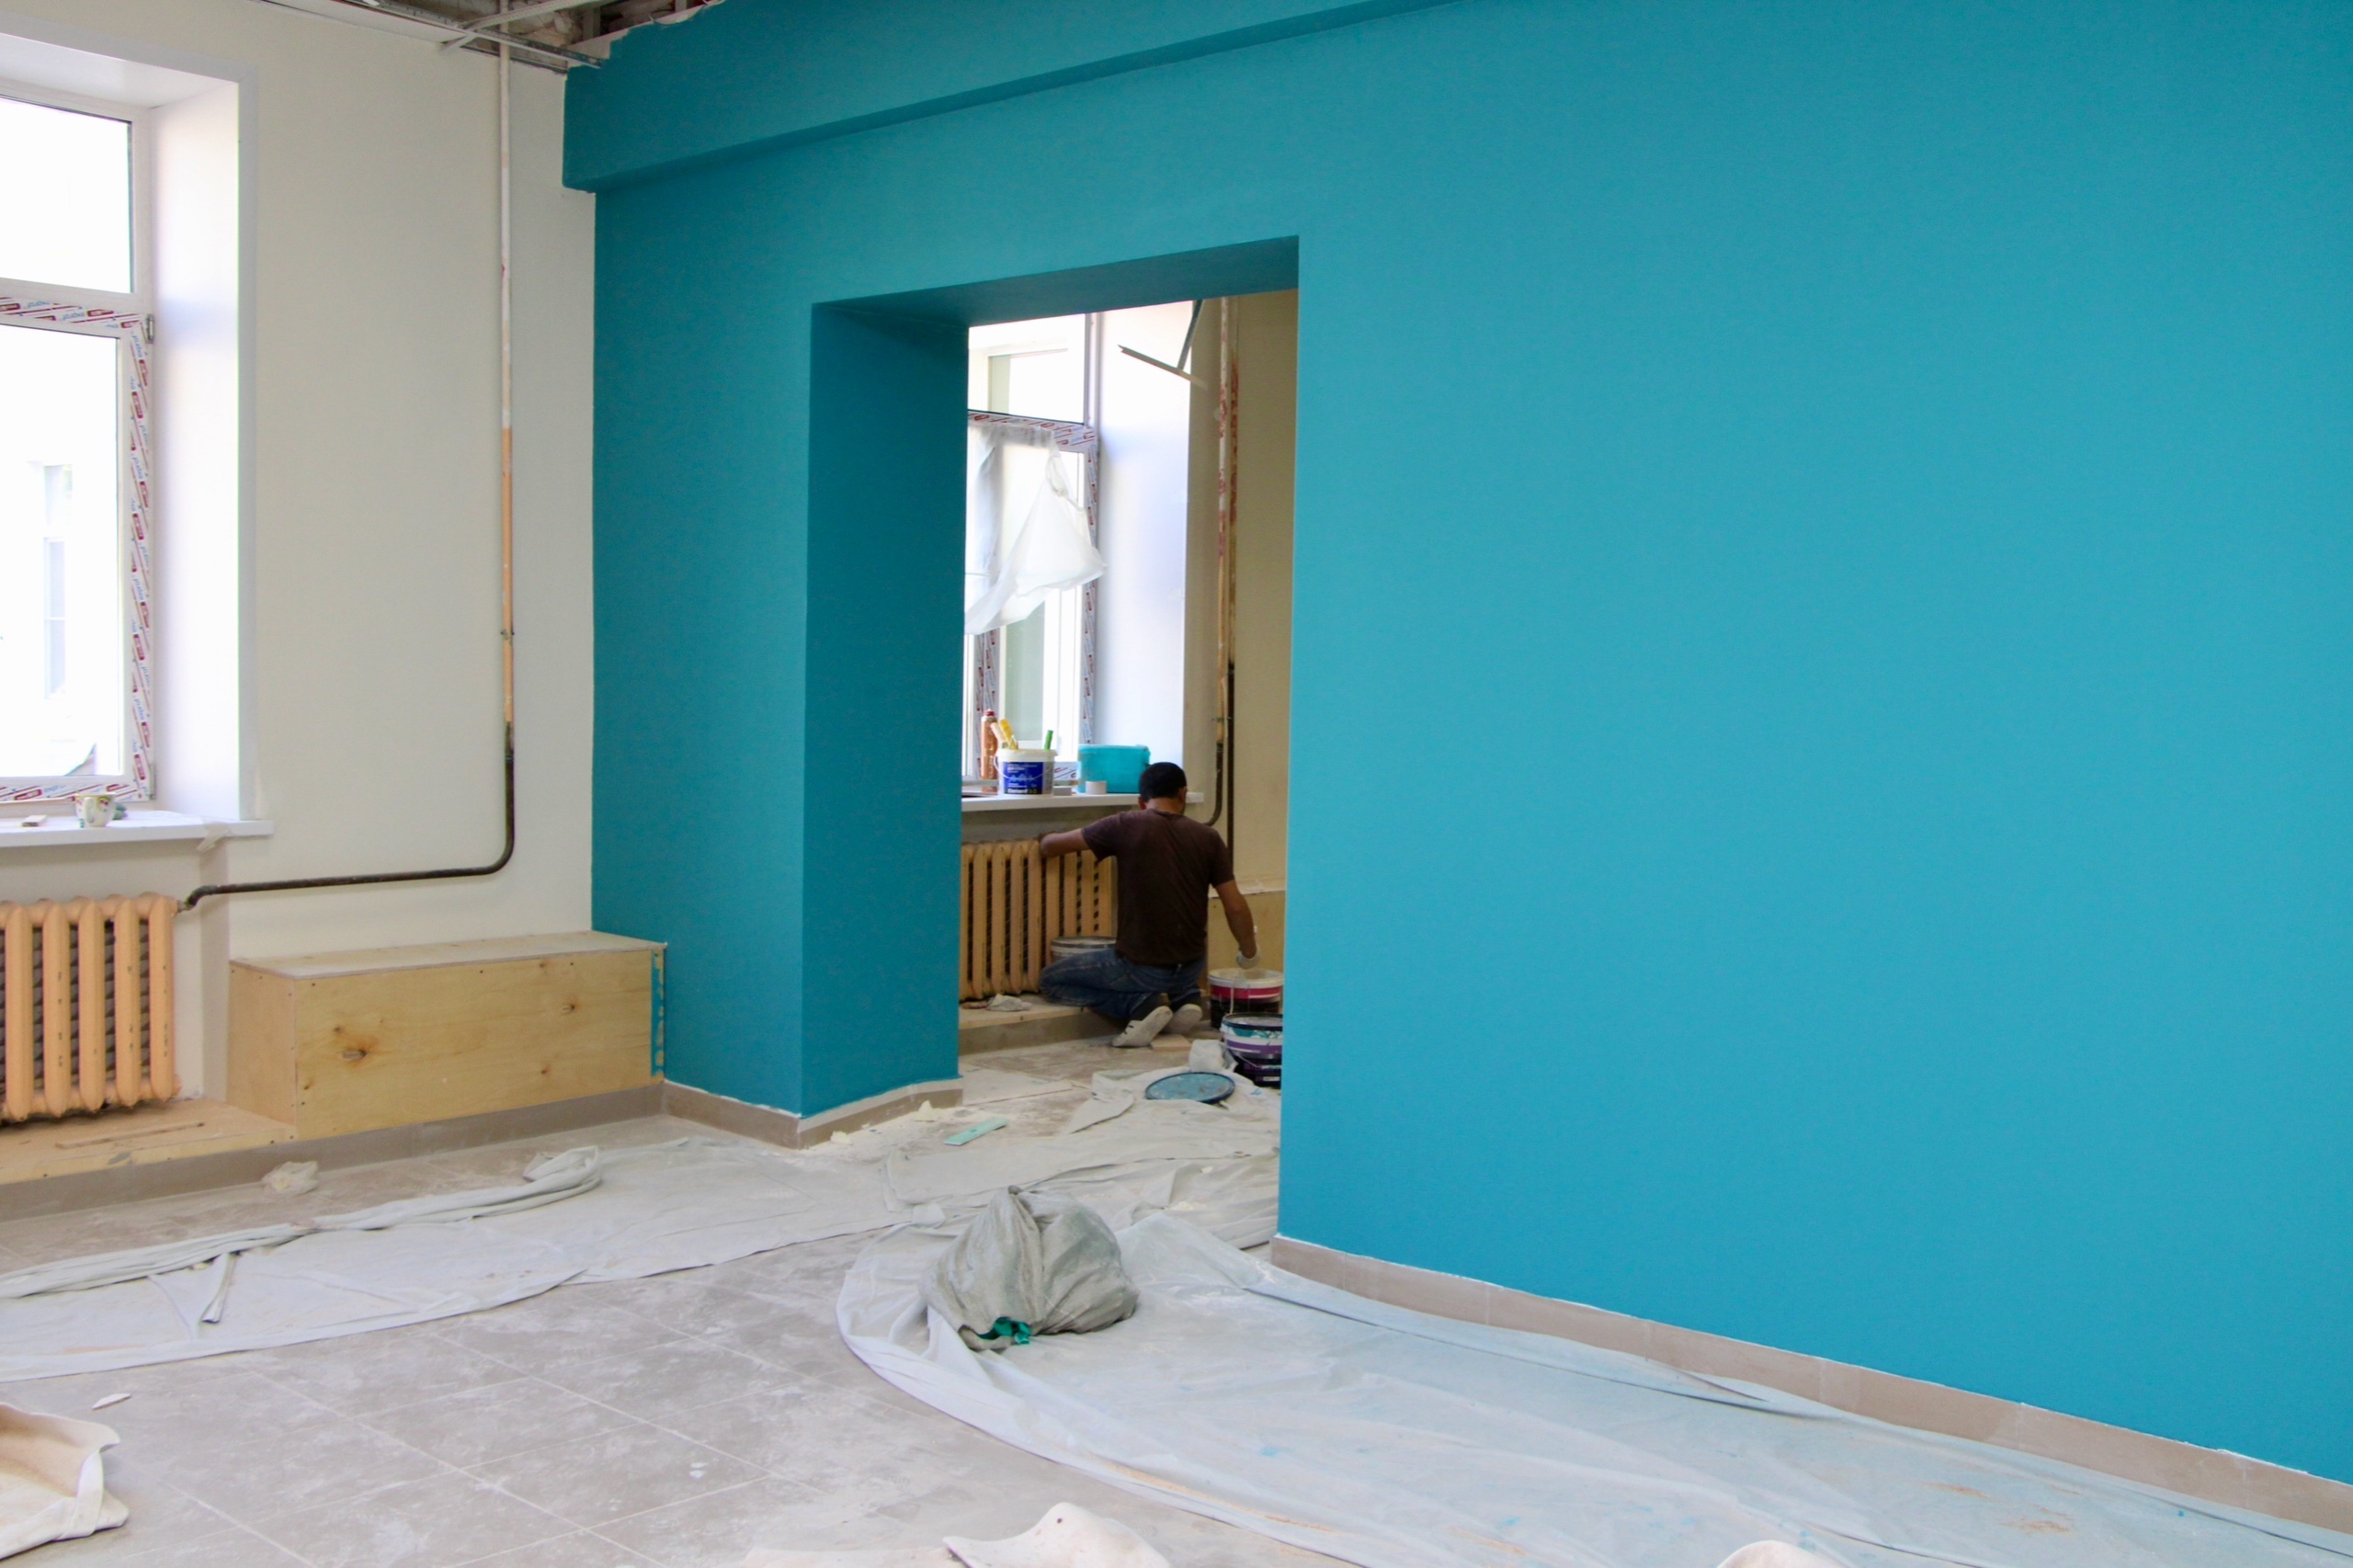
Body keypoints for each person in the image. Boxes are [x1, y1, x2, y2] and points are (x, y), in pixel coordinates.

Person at [1036, 761, 1258, 1047]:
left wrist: (1043, 839)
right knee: (1170, 968)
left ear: (1142, 802)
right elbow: (1235, 906)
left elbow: (1051, 847)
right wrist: (1249, 952)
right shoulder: (1209, 838)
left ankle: (1139, 1005)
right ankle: (1185, 997)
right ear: (1183, 794)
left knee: (1051, 980)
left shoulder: (1125, 824)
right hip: (1192, 967)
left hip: (1142, 969)